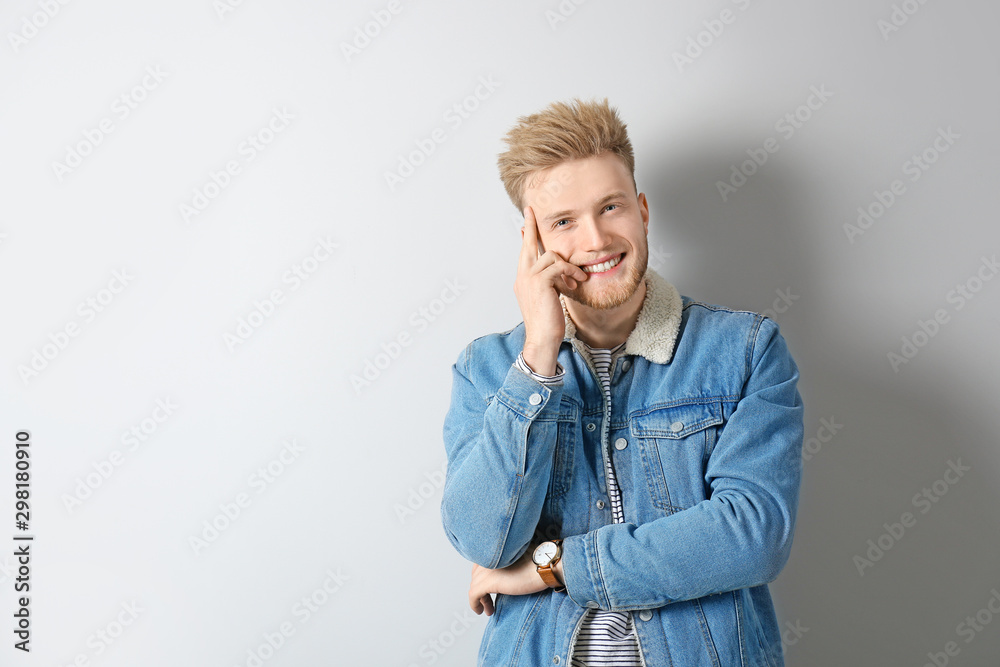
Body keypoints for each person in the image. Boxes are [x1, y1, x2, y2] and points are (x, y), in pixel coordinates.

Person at [440, 97, 804, 667]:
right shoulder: (487, 370)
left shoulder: (745, 352)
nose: (596, 240)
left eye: (610, 207)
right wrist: (538, 356)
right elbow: (485, 542)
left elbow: (752, 535)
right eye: (564, 222)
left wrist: (555, 566)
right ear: (532, 242)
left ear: (642, 211)